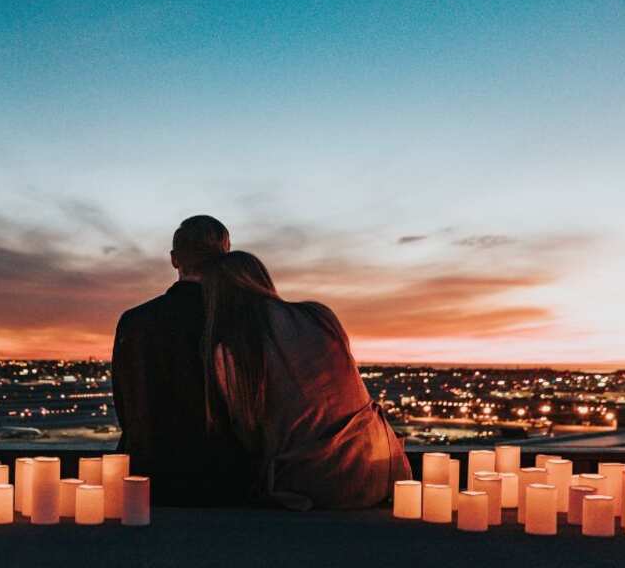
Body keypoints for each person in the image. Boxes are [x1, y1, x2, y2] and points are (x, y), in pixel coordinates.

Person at [201, 250, 411, 510]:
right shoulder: (319, 315)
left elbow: (248, 434)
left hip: (316, 485)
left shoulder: (233, 350)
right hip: (383, 468)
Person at [110, 215, 249, 505]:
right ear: (226, 258)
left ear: (175, 260)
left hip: (147, 479)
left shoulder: (134, 322)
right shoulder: (239, 320)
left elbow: (126, 407)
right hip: (223, 482)